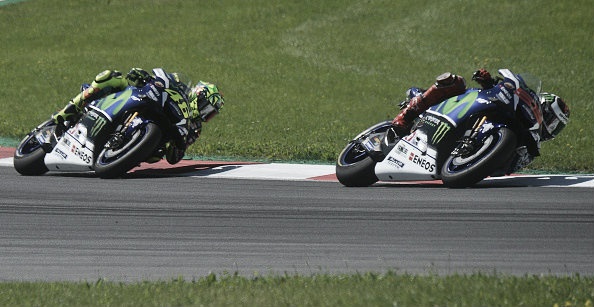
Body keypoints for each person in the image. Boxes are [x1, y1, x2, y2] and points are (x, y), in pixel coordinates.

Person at [391, 68, 570, 172]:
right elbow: (496, 90)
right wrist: (487, 79)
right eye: (551, 120)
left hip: (459, 163)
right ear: (541, 106)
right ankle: (406, 115)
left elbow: (507, 169)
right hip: (460, 104)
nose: (551, 128)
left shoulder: (531, 149)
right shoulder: (518, 105)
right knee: (456, 82)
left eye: (556, 127)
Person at [52, 68, 224, 165]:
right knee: (113, 78)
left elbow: (174, 158)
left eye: (210, 114)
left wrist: (178, 145)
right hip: (145, 101)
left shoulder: (194, 129)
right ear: (198, 96)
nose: (205, 114)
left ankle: (123, 150)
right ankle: (69, 109)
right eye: (205, 107)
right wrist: (145, 76)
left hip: (151, 139)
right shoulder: (182, 90)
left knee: (155, 155)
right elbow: (162, 81)